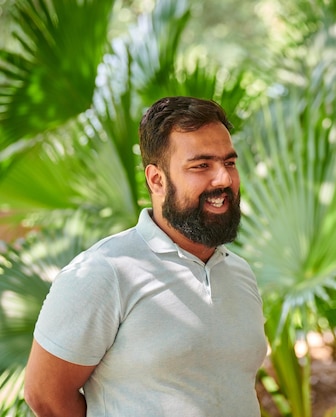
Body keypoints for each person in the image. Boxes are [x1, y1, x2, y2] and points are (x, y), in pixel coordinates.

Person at [23, 96, 268, 417]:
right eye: (201, 165)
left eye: (229, 163)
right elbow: (45, 397)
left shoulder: (240, 273)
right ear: (157, 179)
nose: (223, 179)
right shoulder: (105, 271)